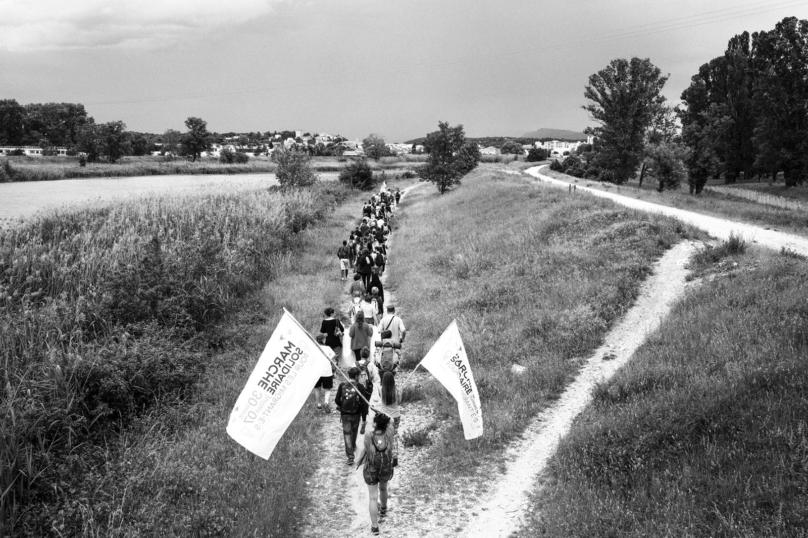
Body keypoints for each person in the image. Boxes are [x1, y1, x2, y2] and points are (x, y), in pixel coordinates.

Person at [361, 412, 397, 535]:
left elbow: (366, 450)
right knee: (383, 488)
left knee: (372, 497)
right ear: (386, 424)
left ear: (375, 423)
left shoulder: (368, 436)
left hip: (371, 469)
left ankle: (375, 526)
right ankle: (383, 508)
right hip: (385, 467)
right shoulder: (389, 433)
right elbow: (392, 419)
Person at [335, 367, 370, 465]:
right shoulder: (360, 387)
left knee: (347, 434)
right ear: (356, 376)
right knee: (354, 431)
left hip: (345, 414)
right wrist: (364, 418)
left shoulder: (342, 385)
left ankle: (350, 456)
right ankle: (353, 446)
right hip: (356, 414)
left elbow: (336, 400)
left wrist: (341, 405)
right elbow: (364, 404)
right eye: (359, 375)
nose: (359, 377)